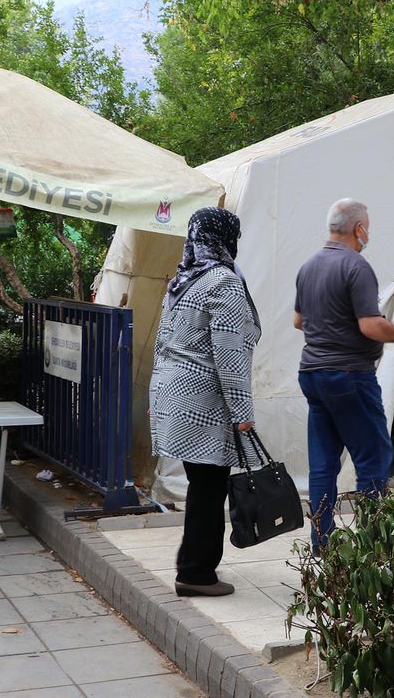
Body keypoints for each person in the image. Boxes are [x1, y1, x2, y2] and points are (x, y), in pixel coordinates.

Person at [294, 198, 394, 552]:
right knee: (373, 457)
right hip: (349, 374)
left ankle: (322, 542)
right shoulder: (356, 266)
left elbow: (298, 321)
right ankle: (374, 542)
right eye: (368, 225)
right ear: (359, 228)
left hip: (312, 373)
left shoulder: (309, 266)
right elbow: (370, 325)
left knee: (322, 465)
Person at [149, 207, 260, 598]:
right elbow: (228, 357)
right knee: (209, 489)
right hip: (204, 400)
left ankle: (193, 566)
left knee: (203, 486)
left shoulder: (183, 280)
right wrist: (243, 415)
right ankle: (196, 573)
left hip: (172, 395)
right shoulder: (223, 282)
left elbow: (167, 346)